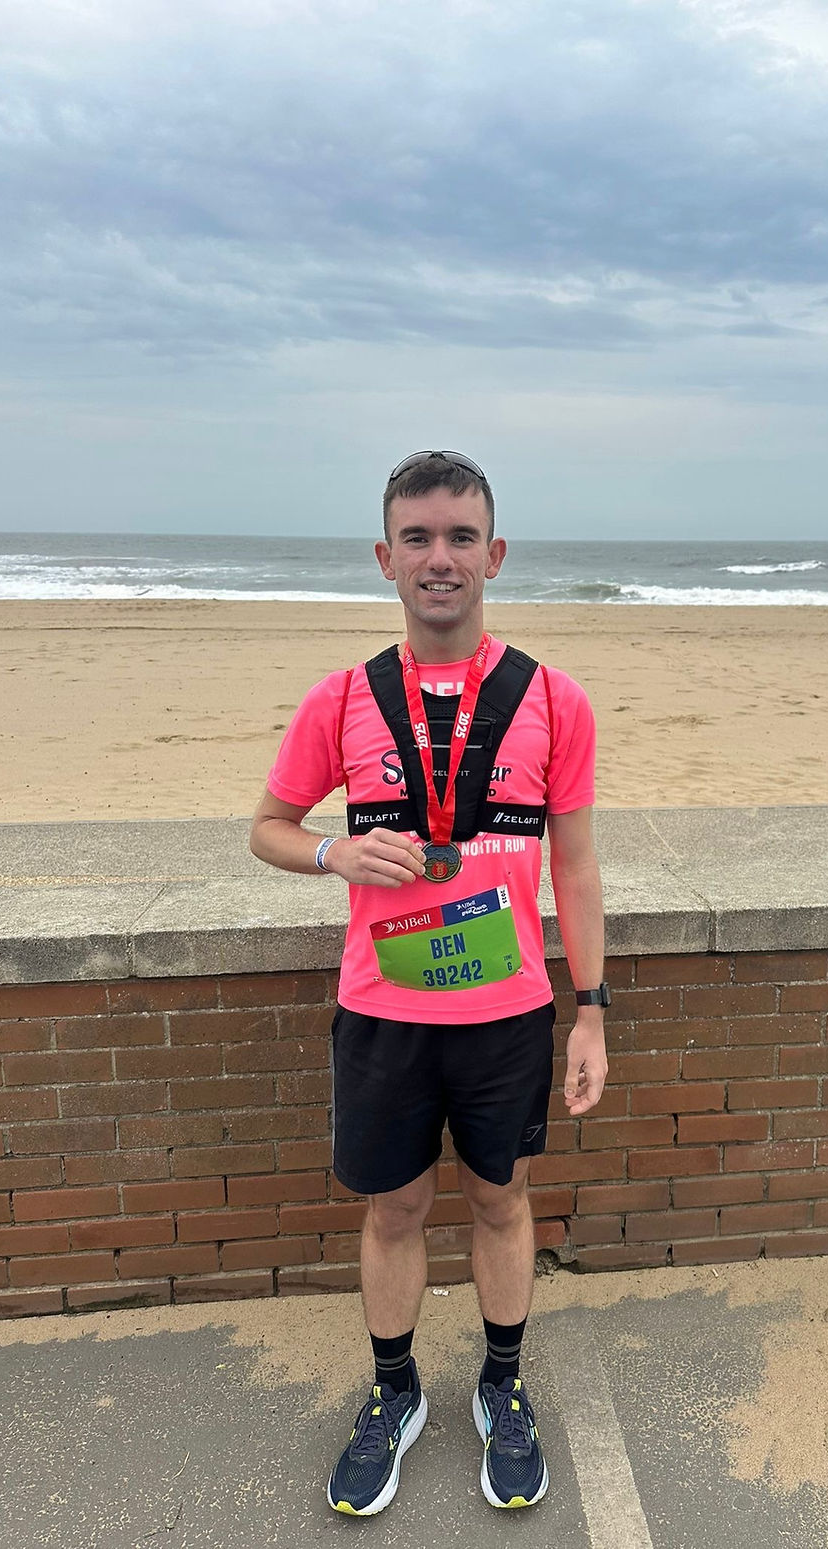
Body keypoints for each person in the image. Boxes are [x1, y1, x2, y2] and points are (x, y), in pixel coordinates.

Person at [250, 450, 608, 1516]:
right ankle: (394, 1394)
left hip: (503, 1014)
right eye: (416, 537)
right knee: (394, 1206)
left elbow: (576, 867)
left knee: (500, 1200)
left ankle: (502, 1387)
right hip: (381, 1013)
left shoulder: (553, 698)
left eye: (459, 537)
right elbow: (266, 829)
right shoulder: (341, 698)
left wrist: (589, 1009)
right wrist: (333, 854)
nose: (438, 557)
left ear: (493, 556)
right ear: (384, 558)